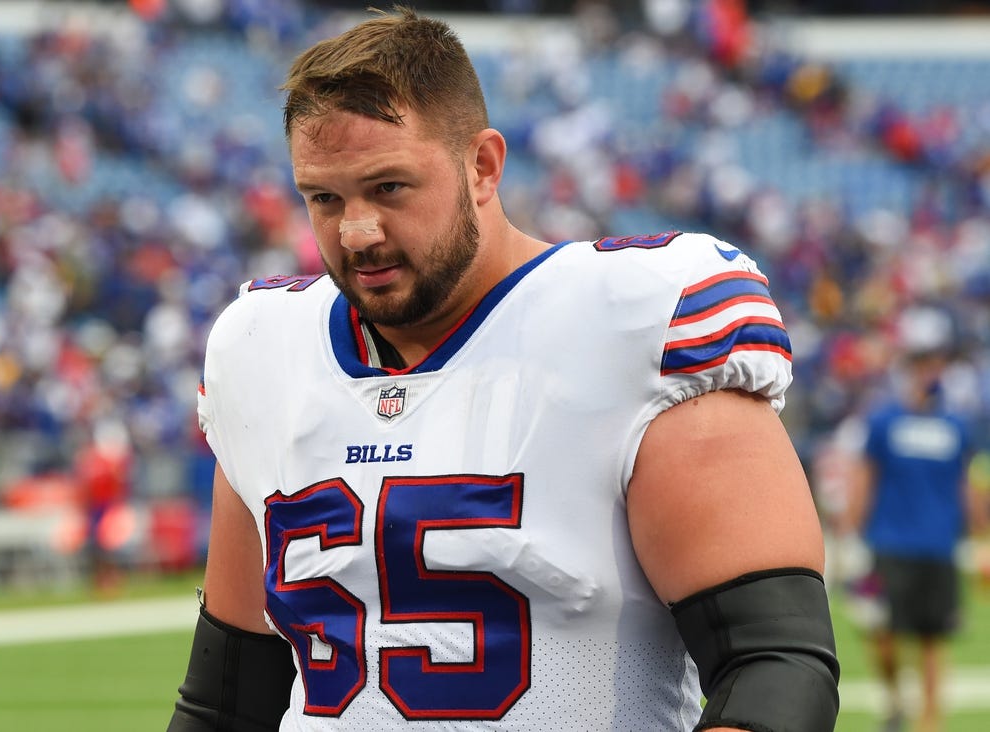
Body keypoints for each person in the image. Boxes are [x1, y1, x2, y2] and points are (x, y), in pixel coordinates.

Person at [167, 7, 840, 731]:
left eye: (389, 187)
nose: (356, 231)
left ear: (483, 165)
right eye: (324, 198)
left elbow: (774, 668)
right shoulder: (262, 347)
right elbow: (228, 701)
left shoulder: (636, 319)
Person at [844, 306, 985, 732]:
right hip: (888, 542)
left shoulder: (957, 425)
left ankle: (930, 721)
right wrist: (850, 533)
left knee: (932, 638)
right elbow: (865, 478)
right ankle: (893, 701)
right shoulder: (884, 420)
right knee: (880, 633)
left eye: (934, 361)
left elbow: (966, 484)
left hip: (938, 545)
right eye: (921, 361)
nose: (929, 370)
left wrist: (981, 538)